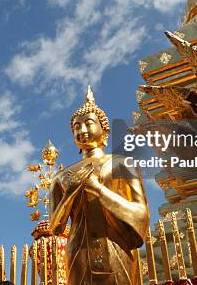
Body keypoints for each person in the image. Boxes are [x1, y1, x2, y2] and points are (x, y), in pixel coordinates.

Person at [49, 86, 149, 285]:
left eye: (88, 123)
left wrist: (99, 190)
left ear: (104, 130)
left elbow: (141, 212)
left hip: (115, 247)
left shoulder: (122, 163)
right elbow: (56, 227)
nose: (82, 130)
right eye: (76, 127)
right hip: (79, 251)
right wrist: (69, 195)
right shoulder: (61, 177)